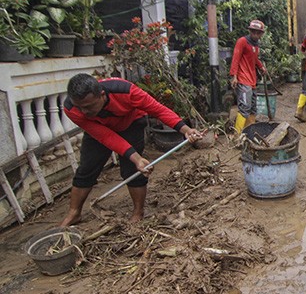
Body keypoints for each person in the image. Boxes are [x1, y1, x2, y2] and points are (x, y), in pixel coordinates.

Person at [59, 74, 203, 226]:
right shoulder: (71, 109)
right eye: (80, 107)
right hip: (101, 131)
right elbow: (106, 137)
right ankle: (74, 213)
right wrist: (135, 157)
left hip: (130, 123)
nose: (84, 111)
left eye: (88, 106)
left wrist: (185, 129)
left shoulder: (125, 91)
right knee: (87, 168)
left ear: (102, 95)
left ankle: (138, 212)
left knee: (133, 170)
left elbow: (157, 110)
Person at [230, 19, 267, 133]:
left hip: (252, 80)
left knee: (253, 109)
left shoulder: (256, 45)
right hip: (243, 79)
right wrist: (234, 76)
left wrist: (261, 67)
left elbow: (254, 59)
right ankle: (237, 135)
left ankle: (248, 133)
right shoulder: (242, 41)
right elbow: (236, 58)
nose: (255, 35)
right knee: (244, 107)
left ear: (261, 34)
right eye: (253, 32)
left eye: (258, 33)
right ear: (250, 31)